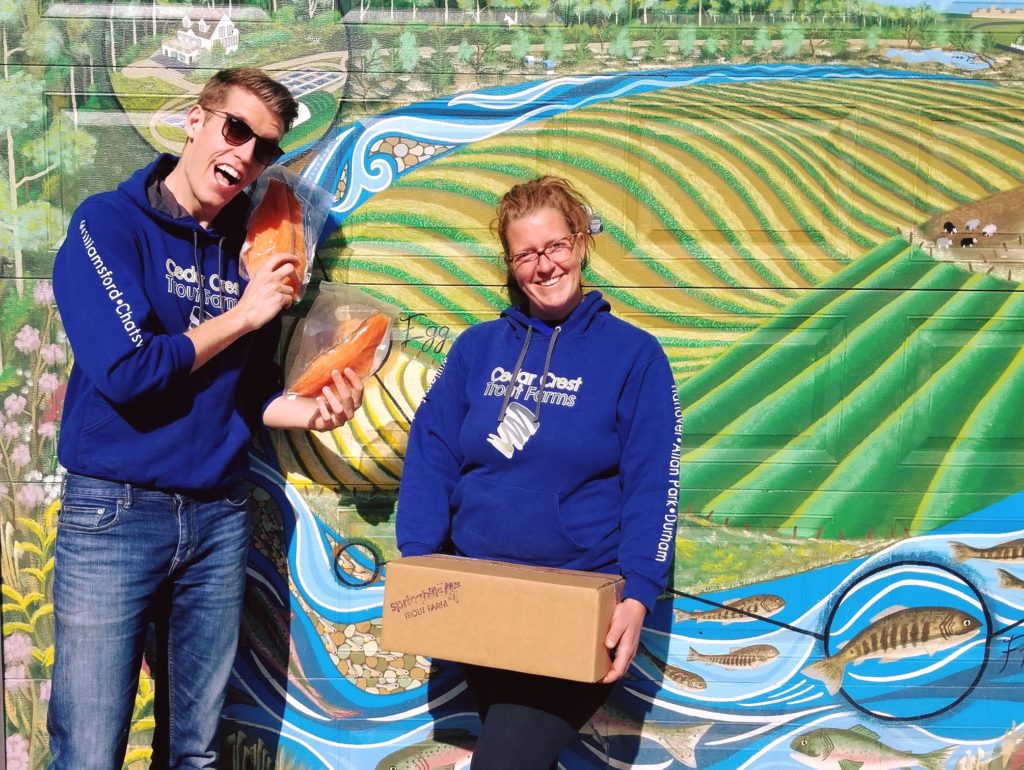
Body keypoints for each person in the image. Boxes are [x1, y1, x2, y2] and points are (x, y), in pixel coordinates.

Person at [48, 68, 364, 770]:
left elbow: (245, 395)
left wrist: (309, 410)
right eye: (237, 128)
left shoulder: (246, 251)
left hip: (217, 518)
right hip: (116, 515)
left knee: (195, 751)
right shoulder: (108, 222)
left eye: (266, 148)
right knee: (91, 751)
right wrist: (246, 313)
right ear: (196, 121)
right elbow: (129, 371)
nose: (247, 154)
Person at [396, 176, 681, 769]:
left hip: (575, 608)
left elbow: (656, 481)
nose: (544, 266)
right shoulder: (477, 349)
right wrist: (421, 557)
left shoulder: (635, 356)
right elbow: (432, 450)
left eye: (555, 246)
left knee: (502, 764)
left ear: (579, 243)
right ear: (510, 264)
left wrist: (639, 593)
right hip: (479, 599)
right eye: (526, 254)